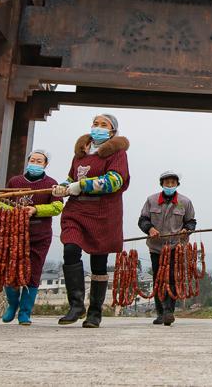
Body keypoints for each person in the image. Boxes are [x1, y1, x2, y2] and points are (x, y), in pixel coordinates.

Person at [52, 113, 130, 328]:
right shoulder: (81, 153)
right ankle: (76, 305)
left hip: (102, 213)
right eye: (95, 124)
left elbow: (115, 180)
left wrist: (83, 185)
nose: (98, 128)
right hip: (77, 210)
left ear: (112, 131)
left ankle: (95, 312)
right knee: (70, 249)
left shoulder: (117, 153)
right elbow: (71, 178)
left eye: (103, 125)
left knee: (99, 264)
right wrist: (63, 186)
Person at [0, 149, 63, 326]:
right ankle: (12, 305)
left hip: (40, 235)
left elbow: (57, 207)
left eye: (39, 161)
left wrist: (36, 210)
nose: (35, 163)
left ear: (45, 164)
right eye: (32, 160)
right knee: (11, 270)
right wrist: (15, 211)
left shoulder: (51, 184)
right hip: (14, 233)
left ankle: (25, 312)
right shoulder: (14, 181)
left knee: (33, 272)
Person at [138, 170, 196, 326]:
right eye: (166, 182)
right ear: (162, 184)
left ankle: (169, 310)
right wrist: (150, 229)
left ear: (177, 184)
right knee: (158, 278)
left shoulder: (185, 202)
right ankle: (161, 313)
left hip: (175, 247)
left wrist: (186, 230)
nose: (169, 185)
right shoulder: (151, 200)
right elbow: (143, 220)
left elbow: (191, 222)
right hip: (156, 247)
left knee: (172, 278)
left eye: (173, 182)